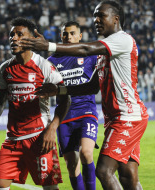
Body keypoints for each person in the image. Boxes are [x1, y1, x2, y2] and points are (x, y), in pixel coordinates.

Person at [20, 0, 149, 190]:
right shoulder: (104, 52)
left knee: (104, 171)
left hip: (127, 117)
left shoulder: (122, 39)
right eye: (95, 15)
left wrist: (49, 45)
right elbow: (91, 86)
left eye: (101, 15)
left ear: (116, 18)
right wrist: (59, 90)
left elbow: (86, 48)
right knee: (128, 176)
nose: (96, 20)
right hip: (116, 118)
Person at [0, 17, 71, 190]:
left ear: (30, 40)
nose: (13, 38)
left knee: (50, 187)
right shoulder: (5, 68)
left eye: (19, 34)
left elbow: (66, 97)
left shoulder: (44, 66)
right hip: (13, 140)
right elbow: (1, 97)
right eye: (11, 35)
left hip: (39, 137)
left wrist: (52, 128)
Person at [47, 21, 98, 190]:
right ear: (61, 36)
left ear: (80, 36)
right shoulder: (51, 61)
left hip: (86, 112)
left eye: (72, 33)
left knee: (86, 153)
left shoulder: (91, 55)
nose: (68, 37)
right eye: (65, 34)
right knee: (71, 165)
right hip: (65, 116)